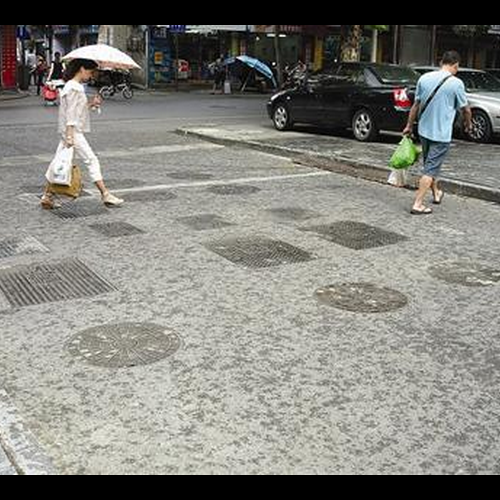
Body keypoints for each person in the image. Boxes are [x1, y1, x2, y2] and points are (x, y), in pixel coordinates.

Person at [41, 59, 124, 210]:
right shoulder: (75, 88)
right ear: (81, 69)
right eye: (90, 71)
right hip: (73, 131)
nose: (91, 75)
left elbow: (76, 109)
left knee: (58, 163)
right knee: (91, 160)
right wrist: (70, 135)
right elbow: (71, 113)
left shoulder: (71, 86)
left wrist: (91, 103)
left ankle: (47, 196)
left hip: (68, 131)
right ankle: (105, 194)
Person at [403, 51, 472, 215]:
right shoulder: (456, 83)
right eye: (458, 67)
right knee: (430, 169)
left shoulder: (424, 78)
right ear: (455, 65)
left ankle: (436, 193)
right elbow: (466, 109)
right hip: (441, 134)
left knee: (430, 165)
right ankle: (418, 203)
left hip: (424, 131)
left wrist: (408, 126)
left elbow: (416, 105)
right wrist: (468, 124)